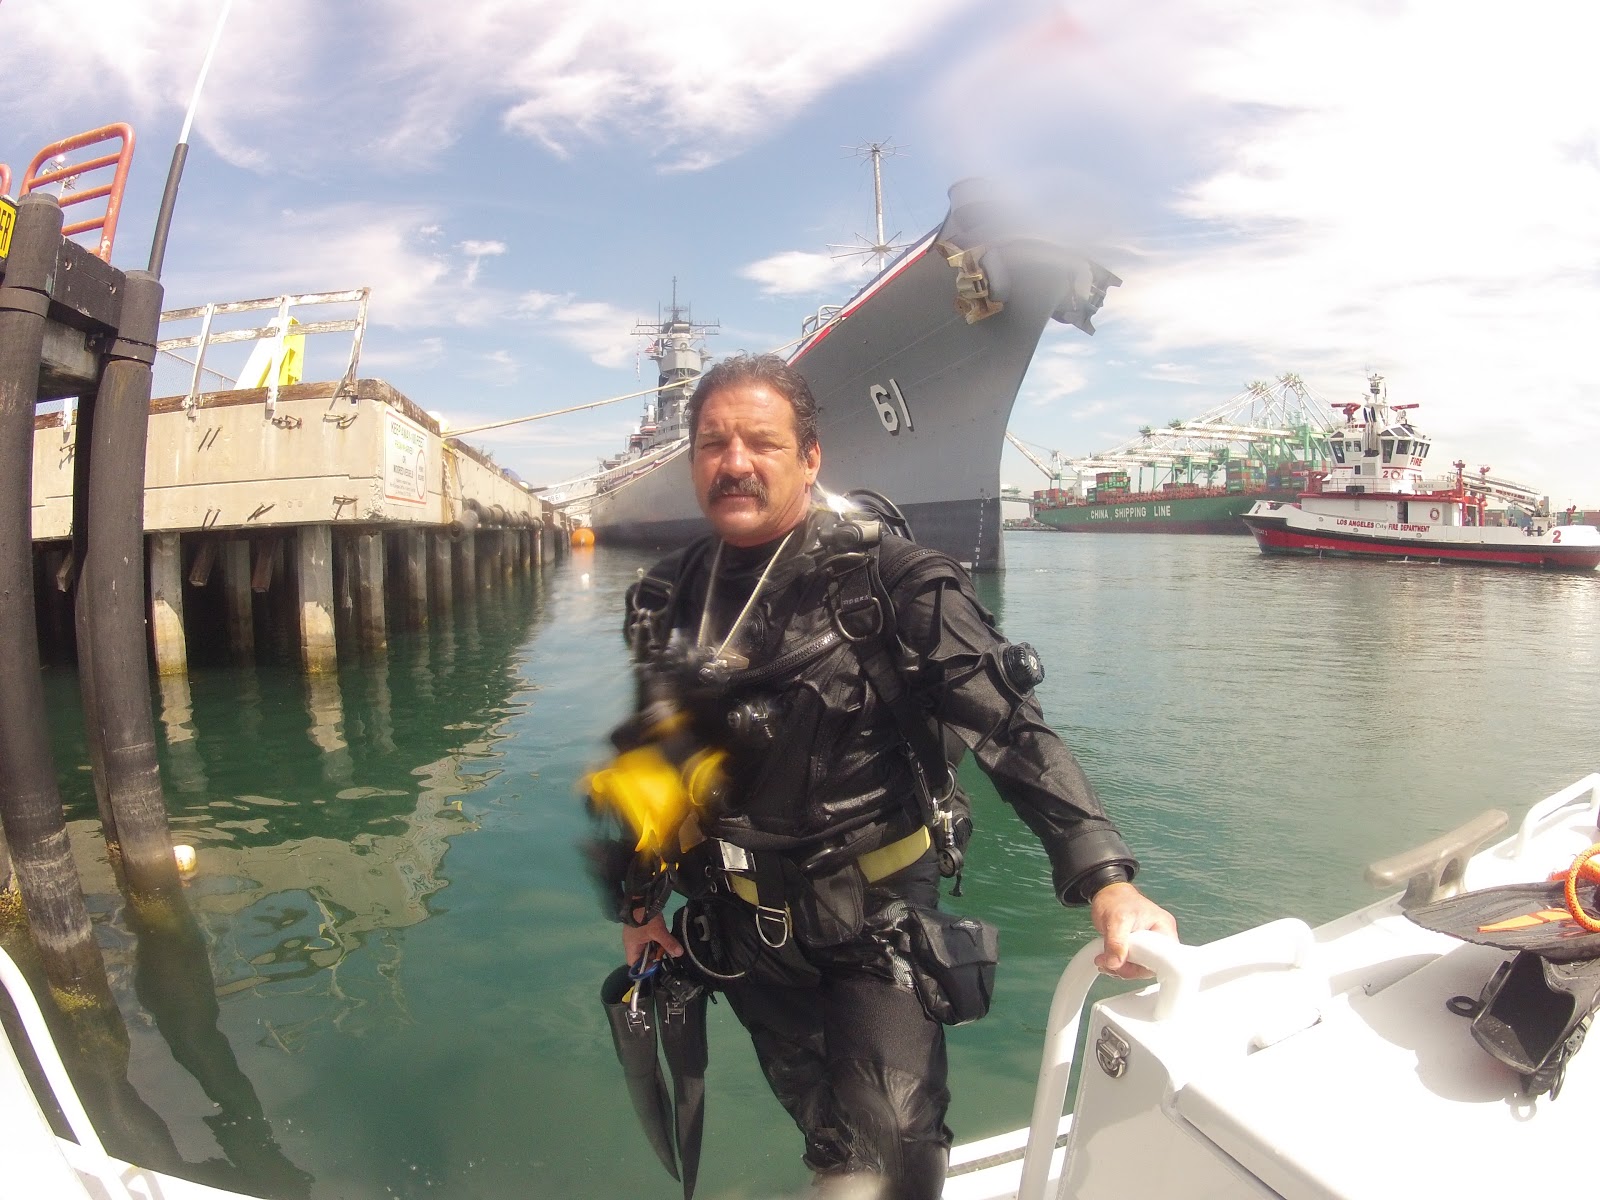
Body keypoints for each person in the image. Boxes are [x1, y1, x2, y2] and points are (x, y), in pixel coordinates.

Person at [607, 353, 1176, 1199]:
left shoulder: (898, 581)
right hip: (744, 927)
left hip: (873, 922)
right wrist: (642, 904)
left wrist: (1105, 876)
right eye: (712, 443)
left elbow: (1010, 731)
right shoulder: (666, 596)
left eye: (761, 441)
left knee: (899, 1142)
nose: (734, 461)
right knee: (827, 1132)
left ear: (811, 456)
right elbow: (655, 762)